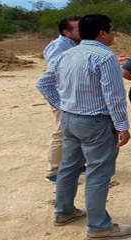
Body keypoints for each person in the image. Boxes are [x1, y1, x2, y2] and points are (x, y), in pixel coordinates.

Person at [36, 14, 131, 239]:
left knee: (69, 166)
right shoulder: (104, 56)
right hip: (96, 122)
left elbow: (43, 82)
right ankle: (99, 226)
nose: (114, 35)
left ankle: (64, 212)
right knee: (99, 172)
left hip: (70, 119)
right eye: (112, 31)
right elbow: (114, 95)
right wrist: (123, 126)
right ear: (102, 33)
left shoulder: (67, 54)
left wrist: (61, 106)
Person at [42, 16, 81, 183]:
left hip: (75, 96)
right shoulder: (58, 46)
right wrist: (60, 103)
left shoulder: (76, 45)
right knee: (61, 132)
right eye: (79, 29)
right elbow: (55, 74)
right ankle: (53, 171)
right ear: (67, 32)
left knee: (76, 132)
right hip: (63, 98)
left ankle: (77, 164)